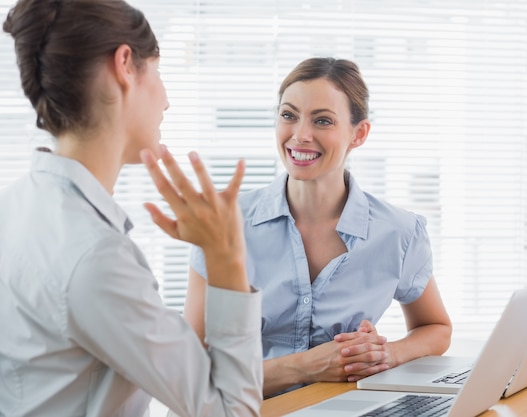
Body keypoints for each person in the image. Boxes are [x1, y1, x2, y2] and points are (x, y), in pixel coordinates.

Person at [0, 1, 262, 416]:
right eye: (157, 74)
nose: (167, 102)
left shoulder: (14, 205)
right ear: (125, 65)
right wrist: (226, 255)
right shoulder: (95, 257)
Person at [184, 57, 453, 397]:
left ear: (359, 134)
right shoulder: (225, 222)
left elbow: (436, 328)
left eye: (322, 120)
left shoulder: (397, 231)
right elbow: (189, 369)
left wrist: (387, 354)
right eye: (288, 115)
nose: (301, 135)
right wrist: (307, 365)